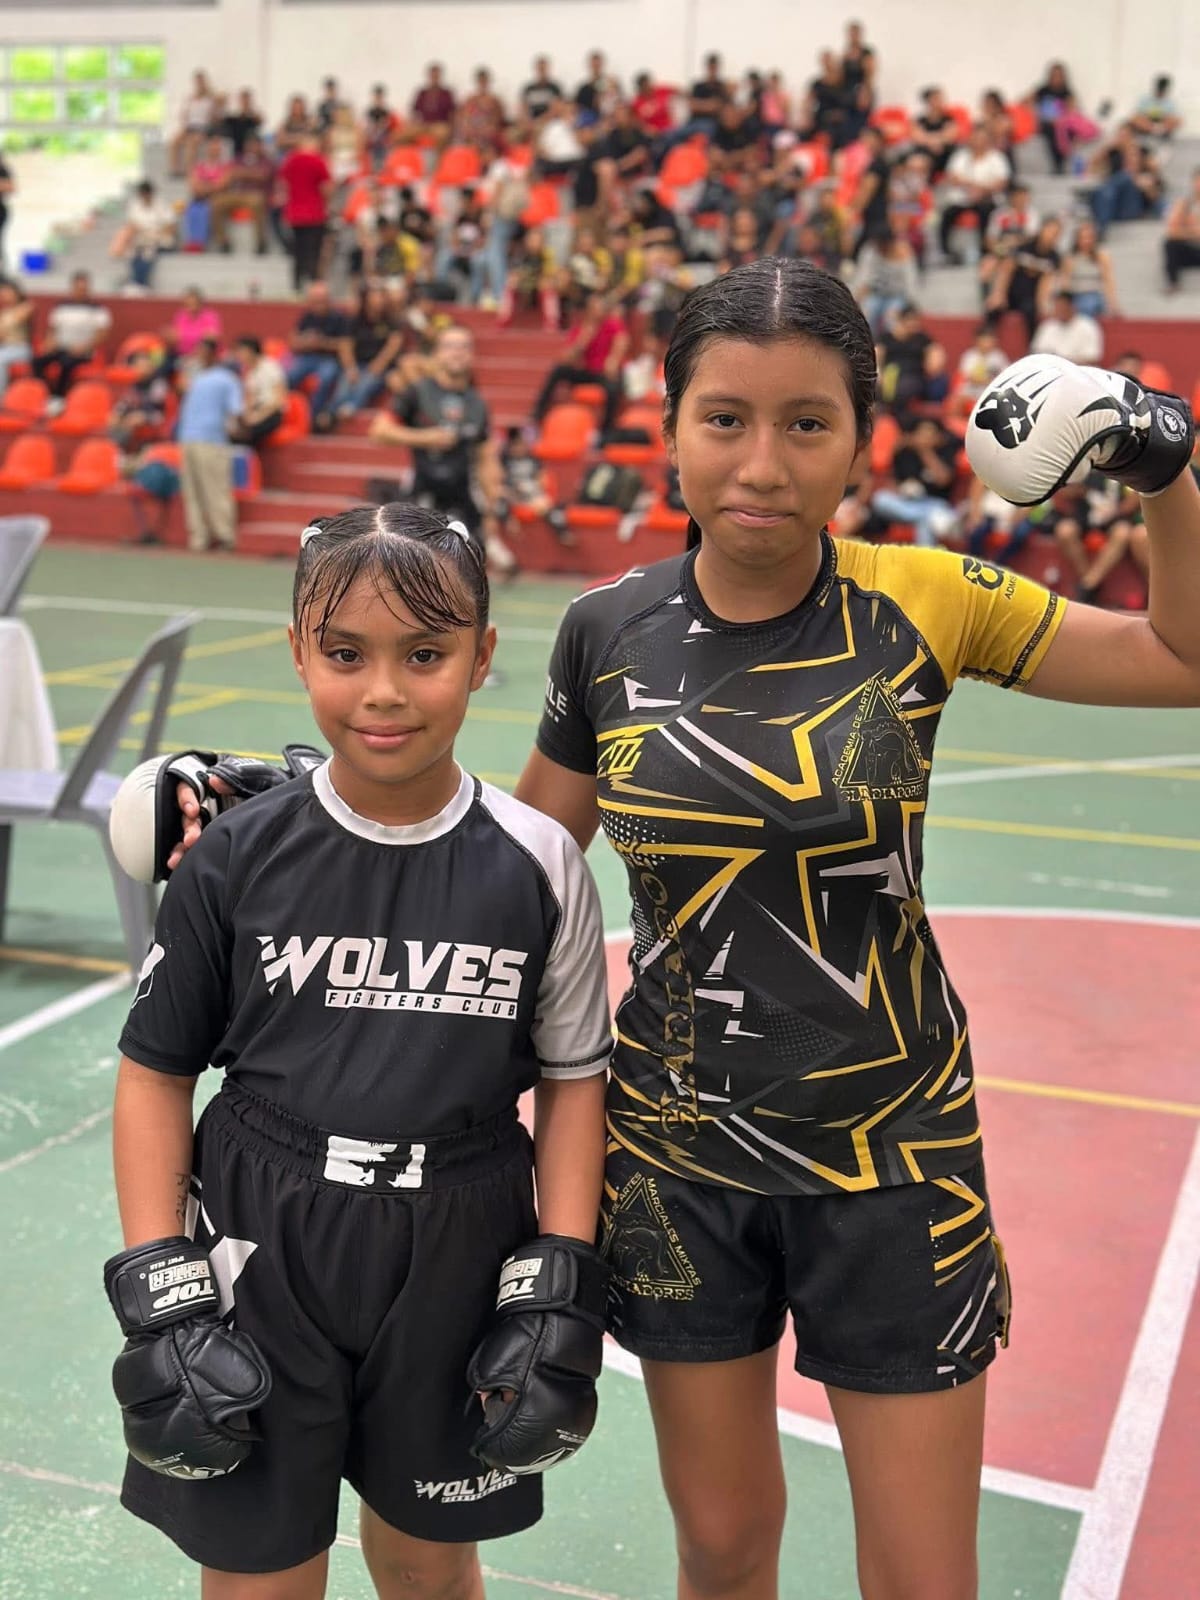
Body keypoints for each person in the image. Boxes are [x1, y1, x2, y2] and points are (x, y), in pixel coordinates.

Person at [129, 256, 1200, 1600]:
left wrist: (1163, 469)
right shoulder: (606, 630)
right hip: (678, 1163)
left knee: (926, 1580)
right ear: (672, 426)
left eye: (806, 424)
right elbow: (507, 865)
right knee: (725, 1548)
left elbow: (1183, 658)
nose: (762, 464)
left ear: (860, 439)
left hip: (897, 1160)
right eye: (725, 419)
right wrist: (308, 800)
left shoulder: (927, 598)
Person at [103, 501, 612, 1596]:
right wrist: (163, 1280)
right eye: (345, 654)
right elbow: (155, 1070)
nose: (384, 690)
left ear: (482, 656)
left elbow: (575, 1084)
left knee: (429, 1564)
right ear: (298, 652)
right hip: (261, 1233)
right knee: (261, 1573)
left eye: (425, 655)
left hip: (462, 1236)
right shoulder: (233, 855)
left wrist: (560, 1277)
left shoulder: (539, 862)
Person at [369, 323, 503, 560]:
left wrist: (491, 509)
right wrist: (426, 437)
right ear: (437, 353)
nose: (457, 352)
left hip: (464, 500)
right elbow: (378, 431)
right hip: (423, 493)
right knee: (417, 564)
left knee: (469, 565)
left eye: (463, 347)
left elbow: (486, 459)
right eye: (449, 346)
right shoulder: (418, 392)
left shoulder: (477, 404)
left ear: (472, 355)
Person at [530, 292, 629, 436]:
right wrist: (582, 341)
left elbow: (622, 341)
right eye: (594, 308)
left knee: (613, 388)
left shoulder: (612, 324)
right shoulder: (581, 327)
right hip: (588, 371)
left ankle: (606, 430)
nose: (598, 311)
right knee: (559, 370)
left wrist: (613, 359)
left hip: (605, 372)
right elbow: (566, 358)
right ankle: (537, 414)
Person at [176, 339, 241, 553]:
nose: (199, 356)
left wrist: (236, 430)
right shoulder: (194, 377)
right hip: (188, 437)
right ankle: (199, 537)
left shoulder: (227, 379)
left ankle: (225, 536)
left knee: (216, 489)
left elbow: (235, 410)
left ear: (214, 354)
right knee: (192, 492)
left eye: (203, 352)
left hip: (213, 440)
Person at [31, 270, 112, 400]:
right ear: (72, 288)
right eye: (78, 288)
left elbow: (102, 334)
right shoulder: (61, 307)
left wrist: (85, 346)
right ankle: (45, 394)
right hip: (61, 347)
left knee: (66, 363)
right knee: (37, 362)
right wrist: (50, 342)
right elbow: (52, 329)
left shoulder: (98, 309)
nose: (81, 292)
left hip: (83, 351)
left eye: (84, 289)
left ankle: (59, 397)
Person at [288, 281, 351, 434]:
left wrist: (322, 342)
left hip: (330, 359)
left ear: (328, 300)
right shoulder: (308, 317)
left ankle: (312, 418)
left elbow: (345, 344)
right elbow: (293, 340)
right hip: (308, 357)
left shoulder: (339, 318)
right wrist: (306, 342)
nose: (318, 305)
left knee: (325, 378)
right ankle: (287, 413)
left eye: (321, 301)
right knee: (289, 375)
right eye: (315, 301)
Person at [278, 133, 332, 293]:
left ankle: (296, 284)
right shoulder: (318, 160)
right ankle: (312, 283)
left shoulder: (290, 160)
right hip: (314, 212)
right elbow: (326, 187)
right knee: (313, 250)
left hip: (295, 213)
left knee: (298, 250)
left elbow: (283, 183)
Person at [112, 180, 176, 290]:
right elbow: (132, 225)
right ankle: (136, 282)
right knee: (133, 253)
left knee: (148, 254)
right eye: (142, 195)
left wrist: (156, 233)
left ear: (151, 194)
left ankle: (142, 284)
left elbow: (171, 226)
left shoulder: (162, 205)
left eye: (147, 195)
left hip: (159, 239)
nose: (145, 197)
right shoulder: (135, 206)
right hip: (141, 239)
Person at [228, 335, 287, 444]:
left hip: (271, 413)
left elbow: (277, 401)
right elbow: (250, 399)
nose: (238, 356)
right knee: (230, 430)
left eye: (240, 352)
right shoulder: (250, 373)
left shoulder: (271, 367)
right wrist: (247, 415)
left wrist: (257, 417)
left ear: (250, 351)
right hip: (256, 411)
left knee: (244, 435)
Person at [1058, 219, 1120, 318]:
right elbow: (1065, 283)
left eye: (1089, 237)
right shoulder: (1070, 259)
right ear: (1077, 239)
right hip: (1075, 295)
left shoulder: (1102, 257)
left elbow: (1108, 281)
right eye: (1083, 237)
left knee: (1088, 303)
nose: (1086, 241)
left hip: (1094, 295)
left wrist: (1113, 304)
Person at [1031, 289, 1103, 365]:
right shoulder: (1047, 326)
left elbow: (1092, 359)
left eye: (1062, 306)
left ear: (1072, 306)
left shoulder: (1088, 326)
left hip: (1078, 369)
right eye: (1056, 307)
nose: (1059, 310)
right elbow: (1036, 353)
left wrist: (1062, 363)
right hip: (1049, 369)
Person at [1163, 167, 1200, 294]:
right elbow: (1172, 232)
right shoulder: (1184, 204)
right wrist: (1193, 233)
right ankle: (1173, 283)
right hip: (1191, 250)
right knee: (1170, 244)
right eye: (1198, 181)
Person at [0, 277, 33, 399]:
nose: (4, 295)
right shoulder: (4, 312)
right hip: (5, 348)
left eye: (7, 292)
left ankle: (1, 397)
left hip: (20, 348)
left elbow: (14, 321)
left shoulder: (27, 307)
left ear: (16, 293)